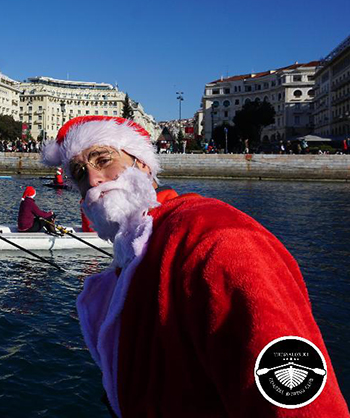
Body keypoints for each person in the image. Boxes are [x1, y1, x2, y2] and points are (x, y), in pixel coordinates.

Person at [41, 115, 348, 416]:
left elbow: (298, 398)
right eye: (80, 172)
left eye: (103, 159)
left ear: (143, 165)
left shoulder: (214, 236)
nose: (92, 178)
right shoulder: (138, 250)